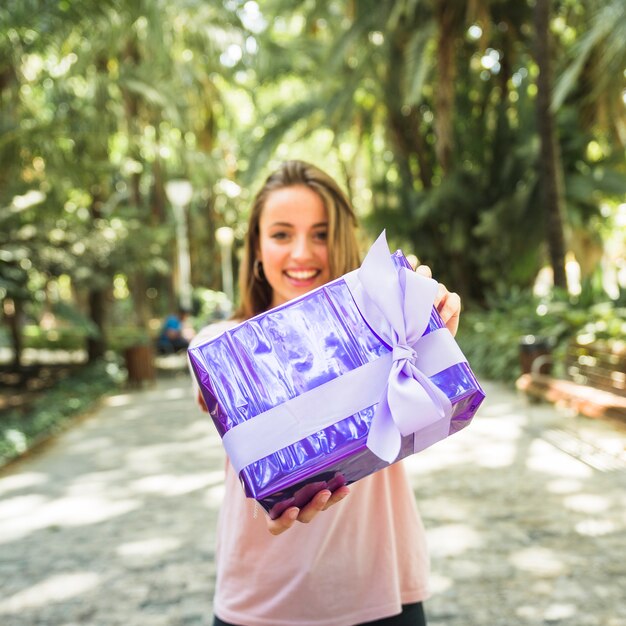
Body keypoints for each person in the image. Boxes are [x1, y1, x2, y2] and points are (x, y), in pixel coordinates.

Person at [191, 160, 461, 626]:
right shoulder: (219, 343)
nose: (302, 252)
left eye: (320, 233)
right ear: (256, 246)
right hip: (259, 603)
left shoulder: (383, 325)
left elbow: (430, 411)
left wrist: (426, 323)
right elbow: (210, 384)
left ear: (342, 240)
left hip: (381, 588)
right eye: (280, 234)